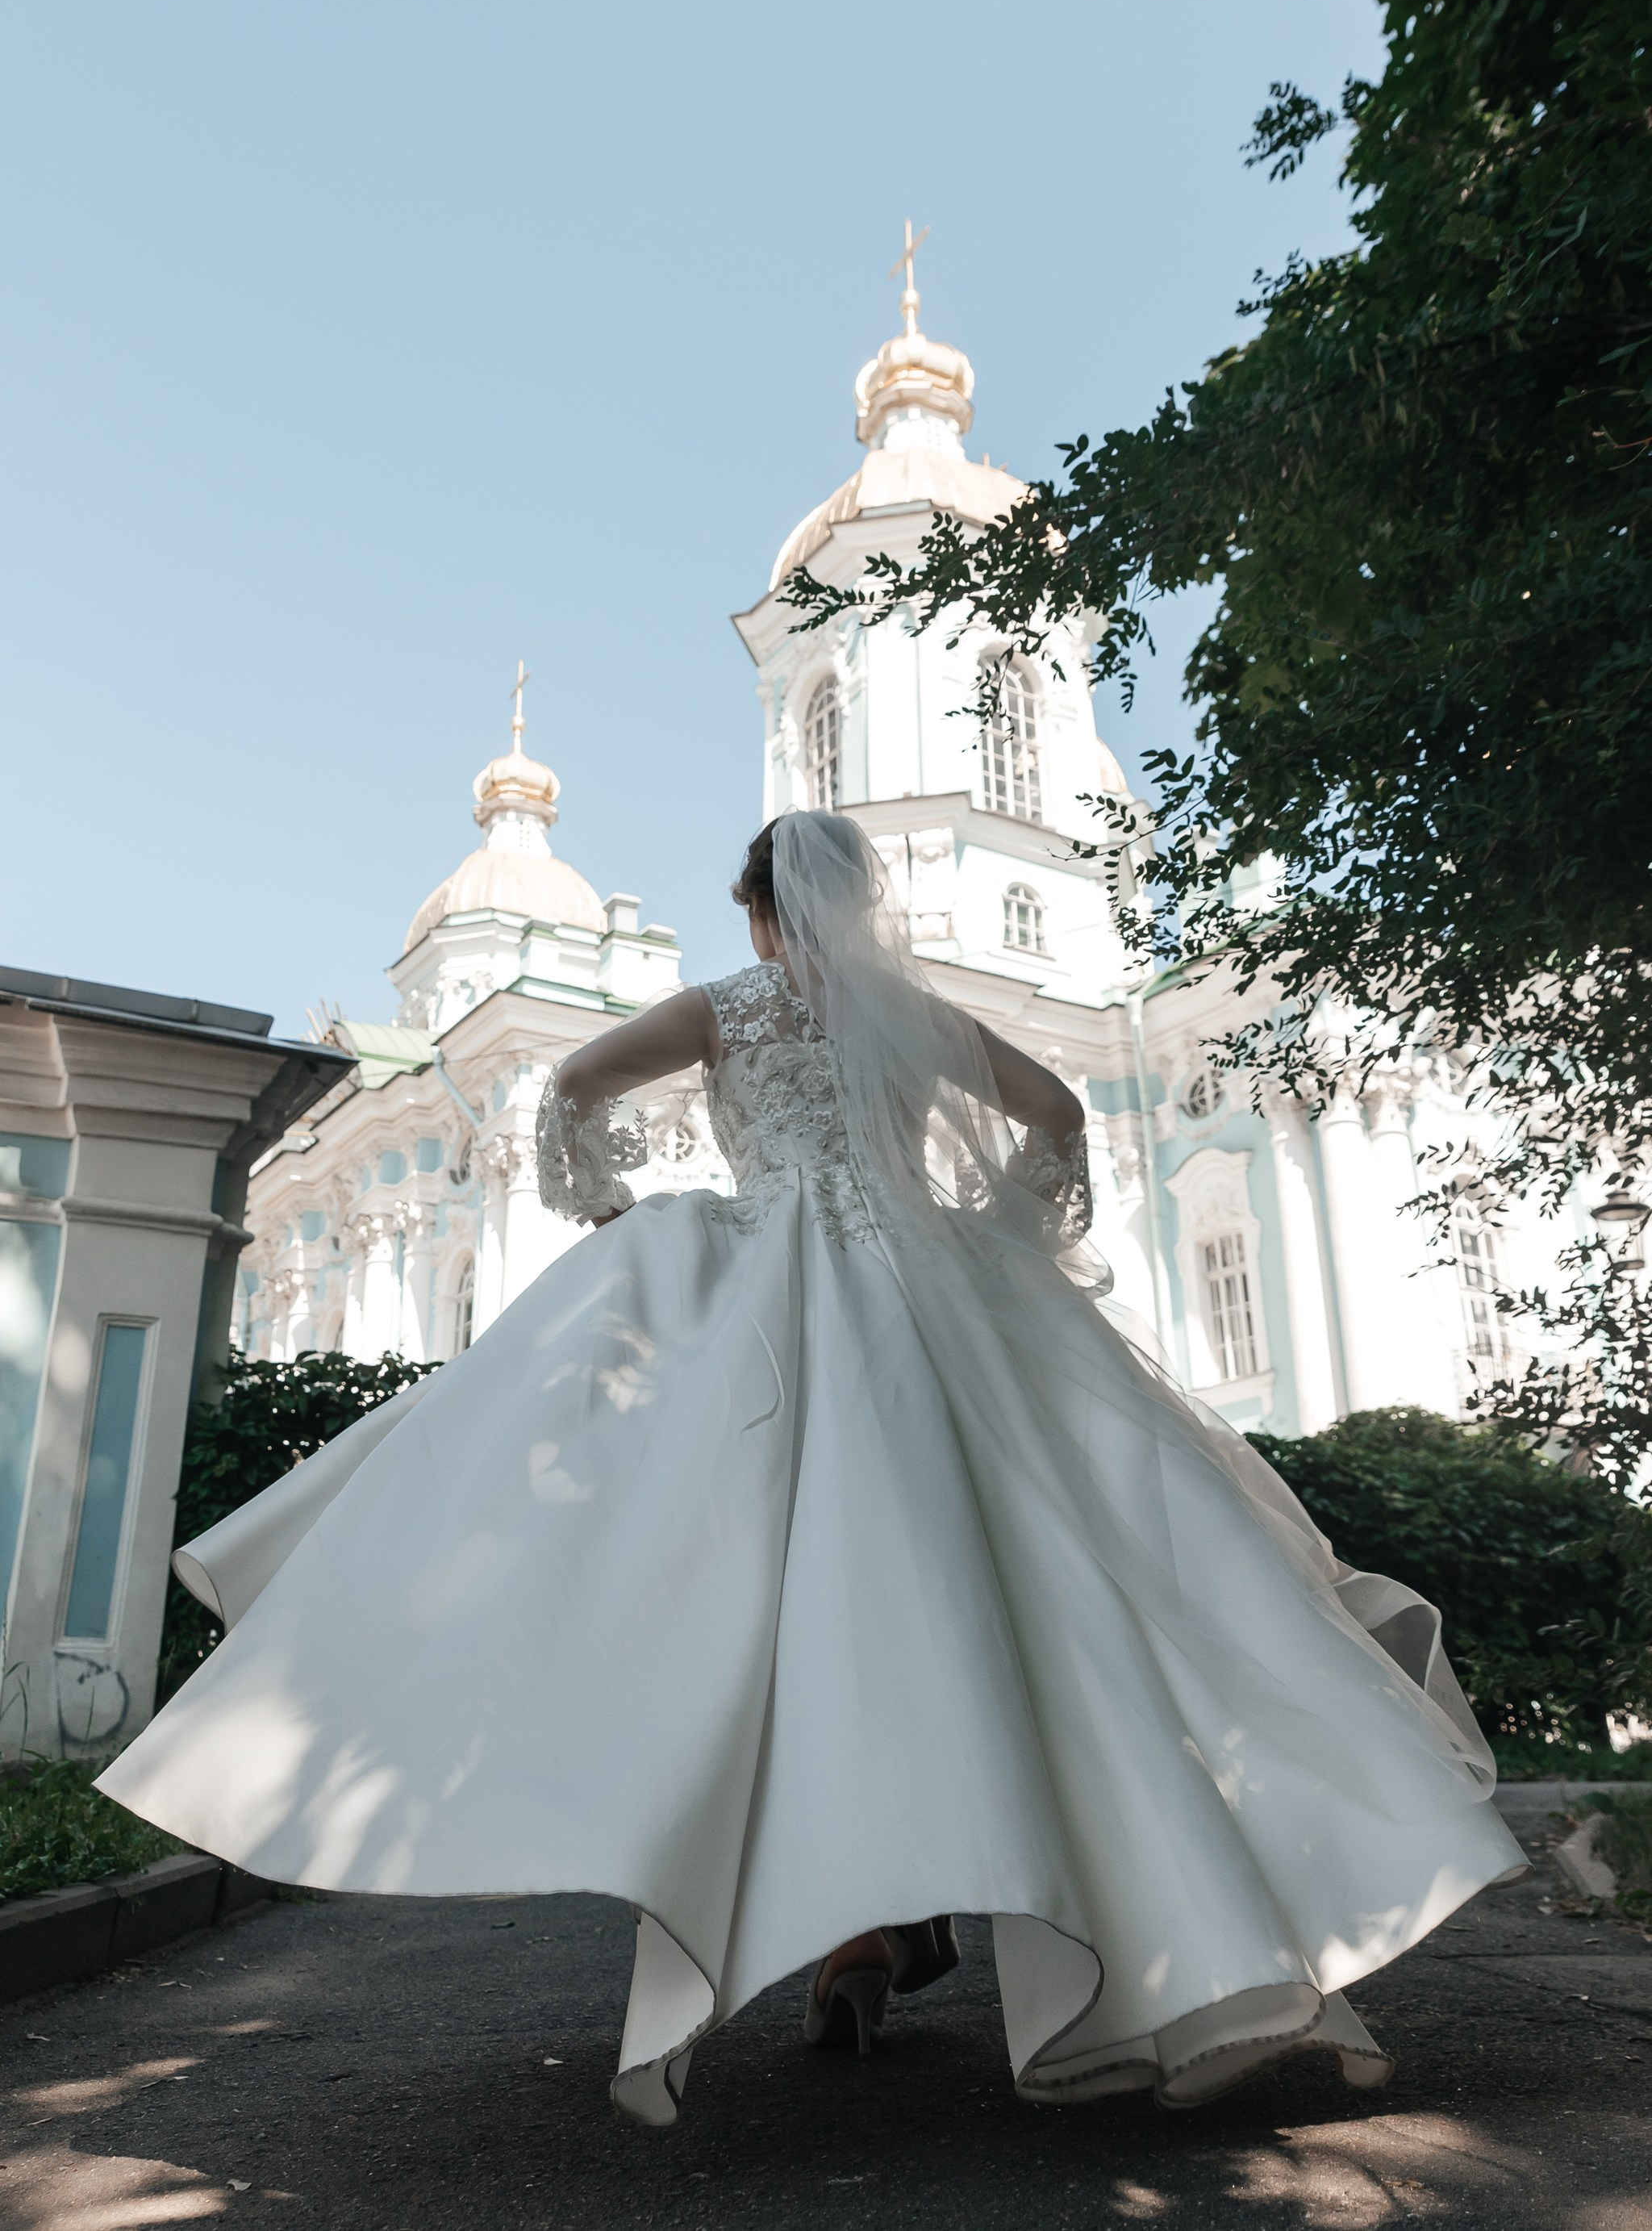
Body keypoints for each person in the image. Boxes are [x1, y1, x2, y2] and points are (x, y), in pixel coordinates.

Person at [99, 812, 1524, 2127]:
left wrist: (614, 1208)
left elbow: (574, 1086)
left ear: (762, 915)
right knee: (1037, 1617)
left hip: (771, 1314)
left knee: (784, 1620)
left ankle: (861, 1929)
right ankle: (1136, 1949)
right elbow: (1059, 1115)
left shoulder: (728, 1008)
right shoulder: (917, 1015)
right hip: (936, 1310)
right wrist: (1005, 1237)